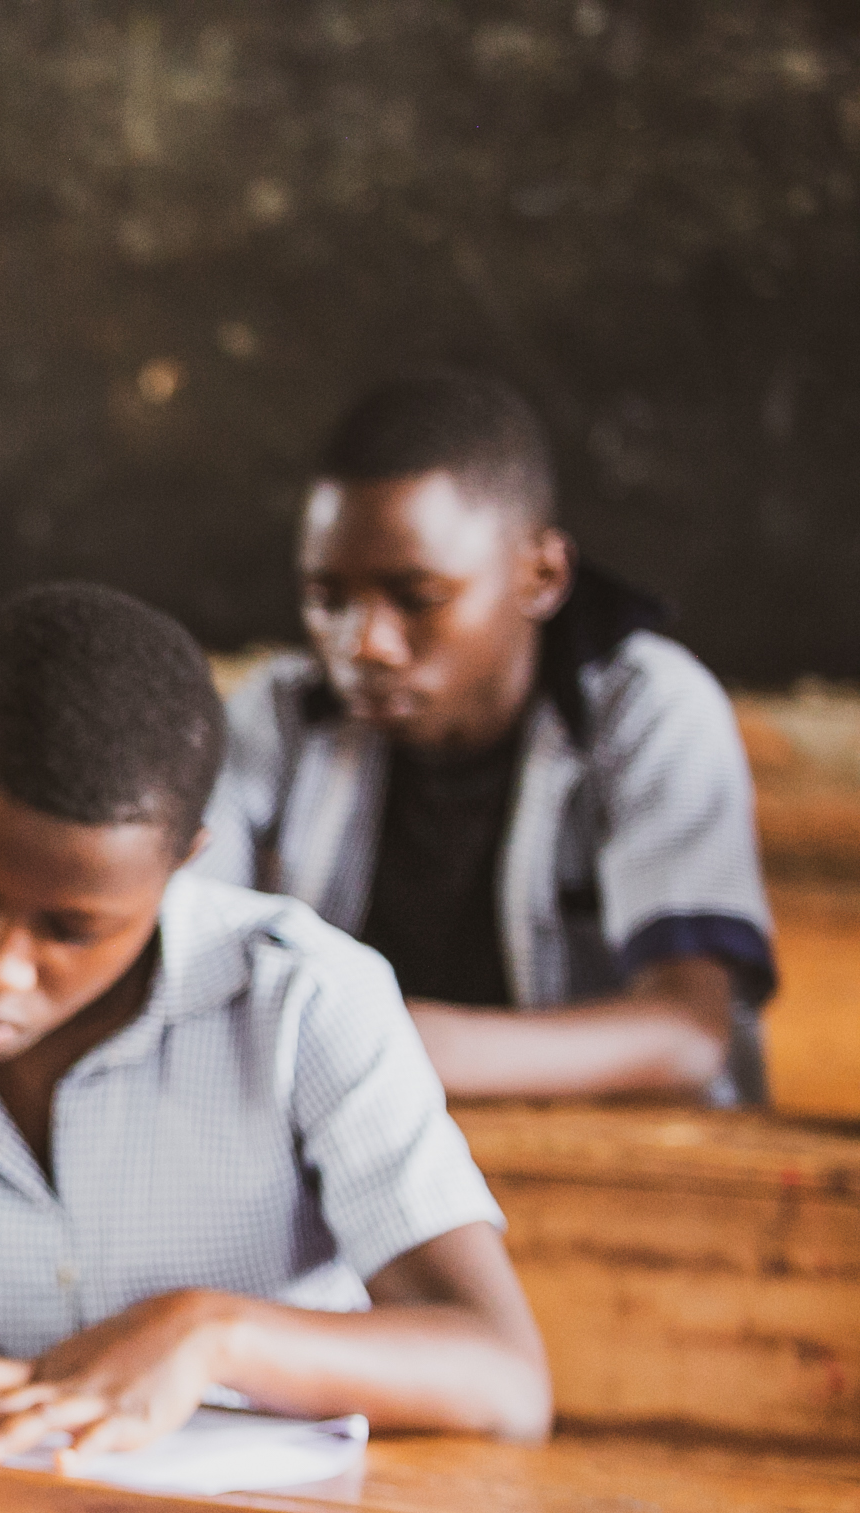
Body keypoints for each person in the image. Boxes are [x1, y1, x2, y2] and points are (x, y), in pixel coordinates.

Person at [0, 583, 550, 1470]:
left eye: (72, 928)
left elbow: (505, 1378)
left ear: (183, 862)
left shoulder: (303, 1004)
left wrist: (210, 1333)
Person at [199, 369, 774, 1103]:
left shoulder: (647, 711)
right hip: (350, 1156)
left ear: (540, 575)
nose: (363, 642)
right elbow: (174, 959)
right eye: (327, 598)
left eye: (418, 598)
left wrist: (384, 1043)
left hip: (623, 1173)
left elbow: (687, 1035)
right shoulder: (278, 719)